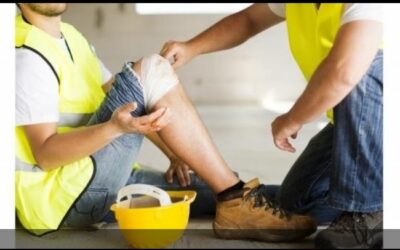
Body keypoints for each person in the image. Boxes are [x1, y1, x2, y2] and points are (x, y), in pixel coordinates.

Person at [15, 3, 316, 242]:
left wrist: (174, 153)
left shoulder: (71, 38)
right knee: (151, 69)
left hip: (102, 179)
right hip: (66, 199)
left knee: (257, 195)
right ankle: (234, 196)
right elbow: (46, 154)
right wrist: (113, 129)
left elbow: (122, 95)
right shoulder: (27, 54)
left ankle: (249, 201)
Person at [161, 3, 383, 249]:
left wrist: (293, 118)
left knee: (363, 62)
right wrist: (191, 48)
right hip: (356, 125)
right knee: (294, 206)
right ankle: (372, 198)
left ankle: (369, 211)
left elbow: (345, 71)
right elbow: (249, 20)